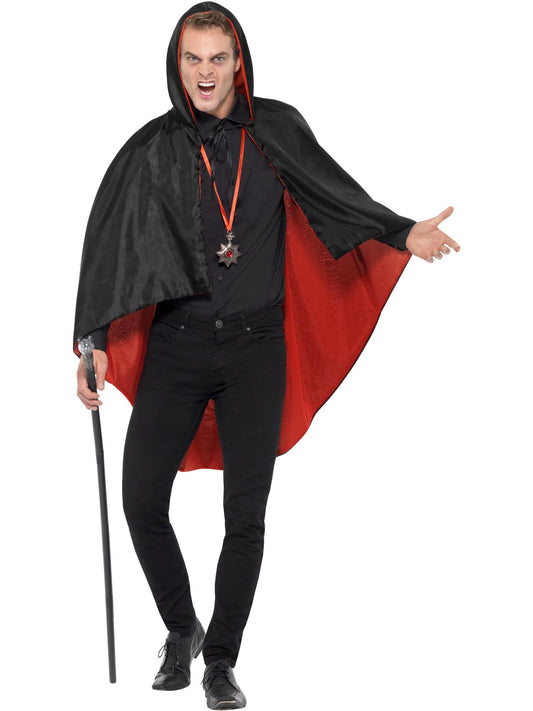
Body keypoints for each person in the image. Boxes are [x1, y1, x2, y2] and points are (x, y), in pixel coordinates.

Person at [74, 3, 460, 708]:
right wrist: (93, 343)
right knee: (140, 499)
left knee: (244, 515)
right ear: (176, 64)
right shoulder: (152, 148)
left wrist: (402, 232)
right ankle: (182, 628)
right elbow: (115, 252)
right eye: (192, 58)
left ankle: (220, 660)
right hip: (176, 347)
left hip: (257, 350)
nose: (205, 73)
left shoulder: (276, 129)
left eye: (217, 58)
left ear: (238, 63)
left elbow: (335, 197)